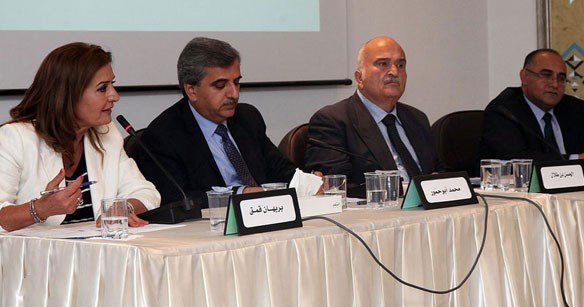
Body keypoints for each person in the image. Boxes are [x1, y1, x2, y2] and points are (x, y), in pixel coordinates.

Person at [0, 42, 160, 232]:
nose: (115, 96)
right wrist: (42, 209)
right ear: (68, 95)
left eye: (112, 85)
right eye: (102, 88)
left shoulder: (106, 133)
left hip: (96, 249)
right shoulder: (15, 138)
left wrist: (124, 208)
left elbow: (145, 192)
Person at [134, 37, 296, 206]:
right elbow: (178, 199)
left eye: (236, 82)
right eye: (220, 85)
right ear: (192, 90)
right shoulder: (164, 136)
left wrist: (308, 182)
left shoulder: (247, 117)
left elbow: (282, 171)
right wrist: (241, 194)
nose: (234, 94)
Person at [304, 36, 443, 195]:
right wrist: (409, 190)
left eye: (400, 65)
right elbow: (337, 186)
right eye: (383, 64)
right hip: (378, 210)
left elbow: (438, 171)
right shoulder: (332, 121)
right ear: (359, 78)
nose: (394, 72)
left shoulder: (417, 118)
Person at [480, 48, 584, 163]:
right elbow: (518, 160)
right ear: (524, 76)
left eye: (561, 78)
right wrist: (579, 159)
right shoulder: (504, 111)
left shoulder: (575, 108)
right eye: (546, 75)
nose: (555, 84)